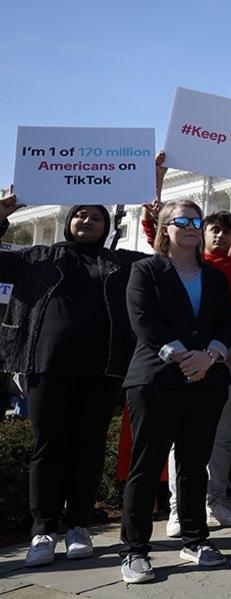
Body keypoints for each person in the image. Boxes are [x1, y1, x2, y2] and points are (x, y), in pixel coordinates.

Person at [0, 191, 145, 568]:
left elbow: (164, 264)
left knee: (89, 447)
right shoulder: (39, 257)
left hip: (102, 367)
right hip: (47, 364)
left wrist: (155, 213)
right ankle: (43, 529)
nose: (87, 220)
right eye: (80, 214)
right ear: (68, 221)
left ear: (106, 225)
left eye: (96, 216)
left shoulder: (121, 262)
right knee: (48, 447)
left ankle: (79, 525)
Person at [119, 200, 231, 583]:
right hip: (156, 379)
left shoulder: (215, 278)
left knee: (193, 464)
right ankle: (135, 550)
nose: (190, 226)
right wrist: (182, 355)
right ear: (165, 228)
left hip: (205, 380)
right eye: (181, 220)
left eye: (195, 220)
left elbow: (225, 323)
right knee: (147, 465)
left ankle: (195, 538)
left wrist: (211, 356)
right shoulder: (146, 270)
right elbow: (142, 319)